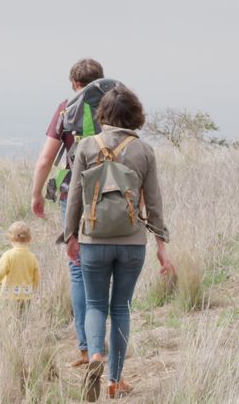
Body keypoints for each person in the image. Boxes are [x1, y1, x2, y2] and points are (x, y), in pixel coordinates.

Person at [62, 85, 175, 401]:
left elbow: (74, 199)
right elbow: (154, 203)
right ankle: (114, 381)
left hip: (93, 240)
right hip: (132, 242)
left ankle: (95, 354)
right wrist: (162, 246)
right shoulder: (144, 151)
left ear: (103, 115)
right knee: (121, 307)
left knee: (96, 304)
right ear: (135, 114)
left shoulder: (86, 146)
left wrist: (71, 236)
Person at [30, 57, 104, 367]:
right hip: (109, 194)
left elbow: (47, 158)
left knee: (77, 269)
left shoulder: (65, 108)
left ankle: (86, 350)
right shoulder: (115, 106)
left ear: (74, 84)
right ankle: (103, 348)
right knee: (104, 270)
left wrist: (36, 194)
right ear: (102, 80)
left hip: (71, 193)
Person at [0, 221, 41, 312]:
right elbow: (37, 277)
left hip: (8, 297)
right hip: (26, 297)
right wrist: (34, 291)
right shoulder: (32, 257)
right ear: (29, 239)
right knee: (22, 322)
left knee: (8, 322)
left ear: (11, 239)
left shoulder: (8, 256)